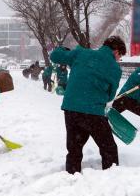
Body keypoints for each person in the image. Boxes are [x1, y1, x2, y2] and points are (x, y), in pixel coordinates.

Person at [50, 36, 126, 174]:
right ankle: (112, 179)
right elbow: (110, 96)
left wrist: (63, 49)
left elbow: (55, 56)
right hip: (93, 113)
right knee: (108, 148)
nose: (118, 60)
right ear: (116, 51)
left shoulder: (81, 53)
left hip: (71, 109)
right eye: (120, 56)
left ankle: (72, 176)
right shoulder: (115, 68)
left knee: (74, 148)